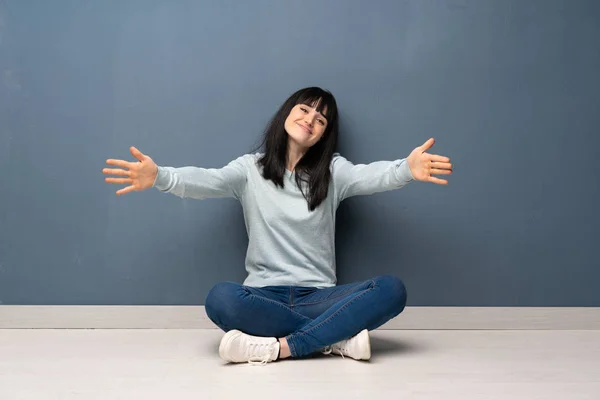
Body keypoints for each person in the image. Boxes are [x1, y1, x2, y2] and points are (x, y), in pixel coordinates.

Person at [102, 87, 452, 365]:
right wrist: (160, 176)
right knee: (220, 298)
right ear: (288, 112)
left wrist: (407, 169)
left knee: (391, 289)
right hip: (262, 297)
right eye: (304, 109)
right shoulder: (249, 170)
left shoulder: (334, 171)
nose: (310, 120)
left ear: (324, 134)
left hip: (320, 297)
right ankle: (334, 339)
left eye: (321, 119)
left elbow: (375, 175)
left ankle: (281, 348)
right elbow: (205, 181)